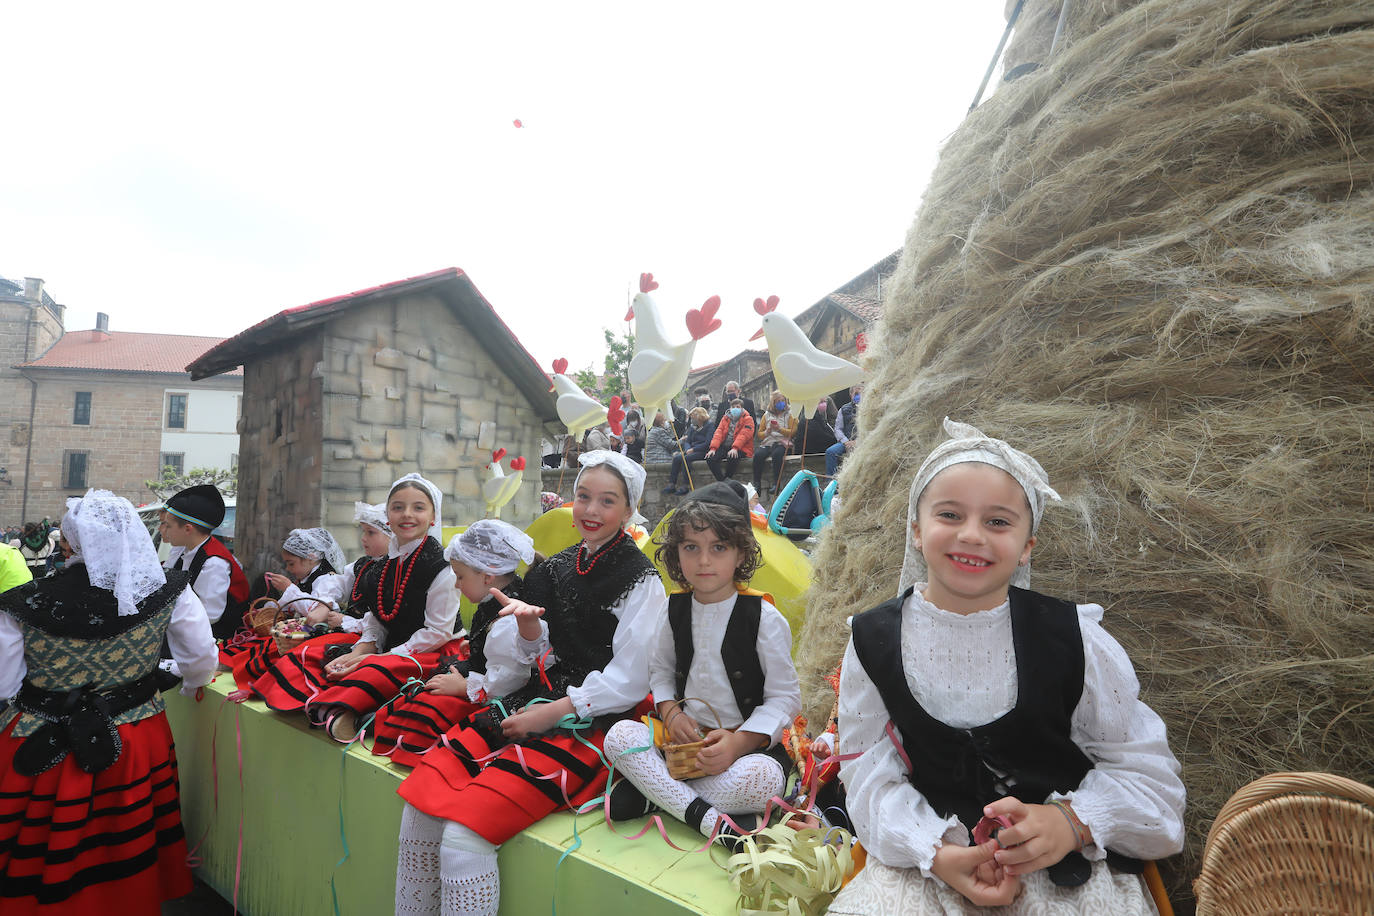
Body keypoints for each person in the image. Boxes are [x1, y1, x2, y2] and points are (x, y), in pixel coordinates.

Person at [827, 419, 1185, 915]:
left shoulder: (1072, 637)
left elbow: (1148, 776)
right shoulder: (871, 640)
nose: (971, 535)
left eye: (998, 522)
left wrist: (1070, 823)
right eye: (950, 514)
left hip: (1063, 867)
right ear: (915, 528)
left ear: (1027, 546)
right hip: (933, 861)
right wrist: (934, 850)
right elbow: (868, 775)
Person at [393, 451, 666, 916]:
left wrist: (556, 709)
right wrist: (528, 631)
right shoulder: (556, 566)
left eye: (607, 500)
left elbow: (630, 678)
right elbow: (539, 654)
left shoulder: (641, 580)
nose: (591, 511)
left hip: (595, 718)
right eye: (583, 497)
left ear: (628, 509)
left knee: (464, 836)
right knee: (419, 809)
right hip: (535, 698)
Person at [0, 490, 218, 915]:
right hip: (135, 735)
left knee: (40, 846)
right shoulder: (169, 591)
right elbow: (200, 660)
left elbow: (5, 683)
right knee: (123, 844)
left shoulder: (23, 601)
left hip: (42, 738)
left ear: (71, 541)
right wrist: (189, 682)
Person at [602, 480, 801, 845]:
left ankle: (658, 796)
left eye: (719, 547)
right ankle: (712, 822)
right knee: (618, 737)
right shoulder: (671, 609)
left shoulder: (765, 618)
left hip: (742, 750)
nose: (704, 560)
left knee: (764, 781)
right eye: (691, 547)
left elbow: (785, 699)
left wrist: (738, 745)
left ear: (741, 554)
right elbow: (660, 672)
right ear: (676, 554)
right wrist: (672, 714)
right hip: (679, 746)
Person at [252, 474, 461, 739]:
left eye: (418, 507)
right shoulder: (385, 563)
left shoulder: (442, 567)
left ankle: (343, 712)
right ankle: (319, 703)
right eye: (398, 507)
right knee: (315, 654)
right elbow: (378, 615)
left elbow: (438, 632)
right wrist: (363, 647)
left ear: (433, 516)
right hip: (390, 646)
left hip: (431, 649)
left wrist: (377, 656)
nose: (407, 514)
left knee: (374, 671)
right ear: (388, 515)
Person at [371, 520, 539, 766]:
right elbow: (493, 642)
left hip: (499, 694)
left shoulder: (508, 619)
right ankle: (387, 722)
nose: (457, 585)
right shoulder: (496, 599)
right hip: (482, 674)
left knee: (434, 702)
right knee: (430, 684)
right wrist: (476, 644)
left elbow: (511, 679)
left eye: (460, 577)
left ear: (487, 576)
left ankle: (407, 740)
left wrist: (463, 688)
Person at [219, 526, 358, 689]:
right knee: (256, 639)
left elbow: (315, 611)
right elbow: (290, 604)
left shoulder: (328, 580)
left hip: (313, 634)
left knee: (267, 648)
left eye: (291, 563)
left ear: (311, 559)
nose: (288, 569)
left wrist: (289, 589)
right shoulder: (307, 578)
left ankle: (241, 671)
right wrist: (269, 609)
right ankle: (225, 661)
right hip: (296, 633)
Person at [159, 485, 250, 639]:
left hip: (217, 637)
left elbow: (209, 616)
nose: (164, 530)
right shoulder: (182, 549)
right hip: (188, 630)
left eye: (168, 525)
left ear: (188, 529)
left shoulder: (214, 563)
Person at [752, 389, 796, 501]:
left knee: (777, 455)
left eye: (783, 401)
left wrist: (779, 429)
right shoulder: (766, 415)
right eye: (778, 401)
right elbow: (760, 433)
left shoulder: (790, 413)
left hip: (783, 442)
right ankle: (757, 483)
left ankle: (776, 483)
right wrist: (767, 432)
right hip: (769, 441)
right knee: (758, 455)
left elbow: (793, 431)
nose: (781, 403)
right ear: (773, 402)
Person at [664, 406, 712, 495]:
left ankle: (685, 485)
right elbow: (688, 441)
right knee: (677, 458)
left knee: (686, 459)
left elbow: (708, 443)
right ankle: (672, 484)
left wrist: (694, 449)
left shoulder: (709, 426)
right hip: (691, 450)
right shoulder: (693, 427)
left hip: (702, 451)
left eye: (693, 417)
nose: (692, 420)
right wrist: (688, 449)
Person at [705, 399, 756, 482]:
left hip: (742, 447)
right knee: (710, 458)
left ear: (742, 408)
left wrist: (735, 448)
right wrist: (713, 448)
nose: (735, 408)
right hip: (725, 446)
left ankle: (727, 479)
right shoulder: (725, 418)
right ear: (730, 408)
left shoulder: (748, 419)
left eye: (738, 407)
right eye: (733, 407)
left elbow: (744, 435)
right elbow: (719, 433)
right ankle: (723, 481)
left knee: (732, 457)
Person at [825, 385, 863, 478]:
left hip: (862, 442)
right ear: (851, 394)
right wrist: (845, 441)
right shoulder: (844, 409)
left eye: (861, 393)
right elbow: (838, 428)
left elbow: (870, 429)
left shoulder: (869, 409)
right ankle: (832, 482)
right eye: (856, 393)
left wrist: (857, 441)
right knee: (830, 452)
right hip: (846, 441)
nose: (858, 396)